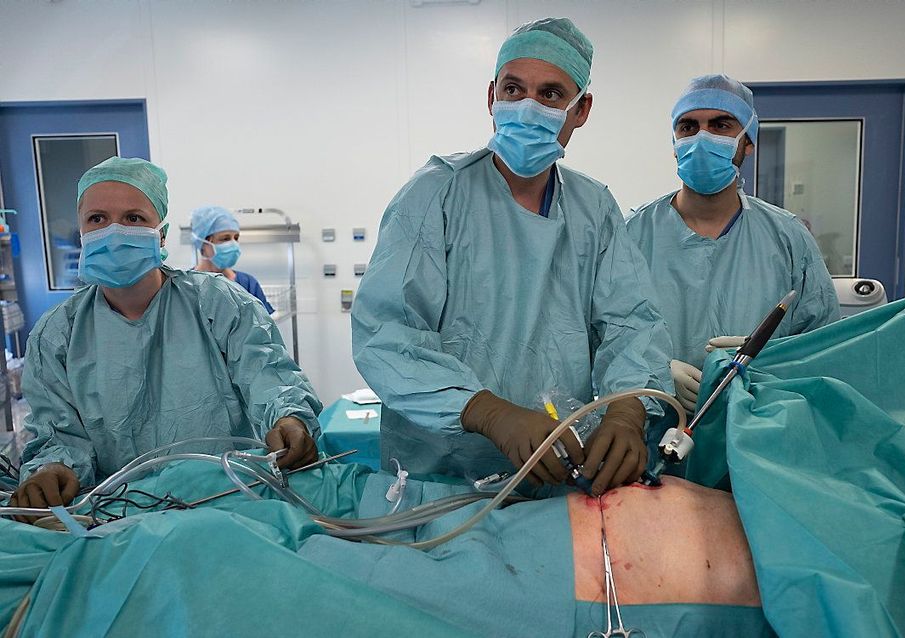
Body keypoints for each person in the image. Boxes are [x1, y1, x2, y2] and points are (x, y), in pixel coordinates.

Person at [353, 18, 673, 497]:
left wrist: (626, 410)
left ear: (580, 109)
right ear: (491, 98)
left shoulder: (593, 208)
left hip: (563, 466)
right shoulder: (434, 195)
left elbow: (630, 322)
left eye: (549, 94)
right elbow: (387, 334)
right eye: (513, 89)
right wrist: (488, 413)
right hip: (443, 477)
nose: (527, 107)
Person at [10, 157, 321, 513]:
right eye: (97, 219)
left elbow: (268, 376)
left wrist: (289, 418)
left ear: (160, 233)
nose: (114, 231)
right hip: (118, 513)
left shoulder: (219, 303)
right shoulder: (57, 335)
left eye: (133, 218)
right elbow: (57, 433)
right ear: (82, 232)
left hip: (230, 499)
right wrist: (52, 469)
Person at [625, 74, 840, 413]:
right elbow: (600, 337)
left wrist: (767, 365)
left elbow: (824, 346)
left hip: (760, 426)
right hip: (655, 429)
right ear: (674, 142)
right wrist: (657, 372)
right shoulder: (631, 235)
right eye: (688, 127)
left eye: (721, 125)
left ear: (749, 142)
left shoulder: (787, 238)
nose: (702, 137)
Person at [191, 205, 275, 315]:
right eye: (225, 239)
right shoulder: (187, 285)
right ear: (203, 244)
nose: (233, 244)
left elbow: (265, 326)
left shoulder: (248, 283)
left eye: (236, 238)